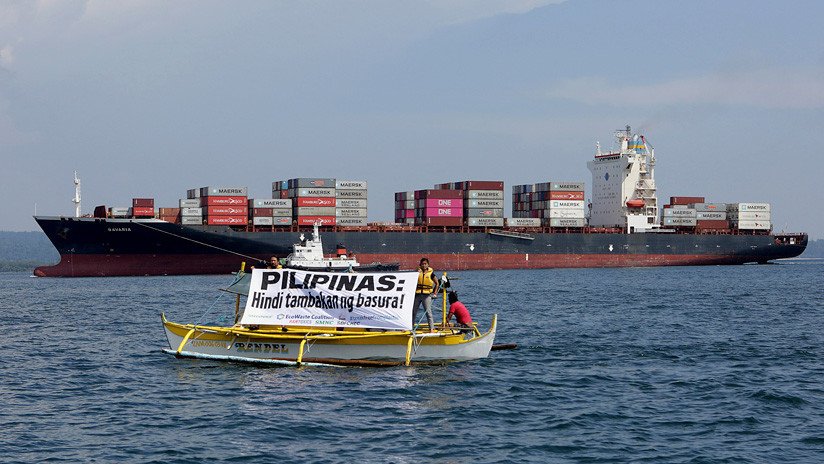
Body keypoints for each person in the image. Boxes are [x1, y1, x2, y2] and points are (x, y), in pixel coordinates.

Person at [413, 257, 439, 333]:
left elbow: (437, 283)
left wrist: (435, 293)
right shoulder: (417, 272)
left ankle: (431, 328)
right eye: (422, 264)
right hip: (417, 295)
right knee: (413, 312)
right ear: (420, 265)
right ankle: (410, 327)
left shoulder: (431, 274)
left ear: (428, 265)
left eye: (425, 264)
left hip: (426, 296)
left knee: (428, 312)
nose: (424, 265)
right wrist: (416, 272)